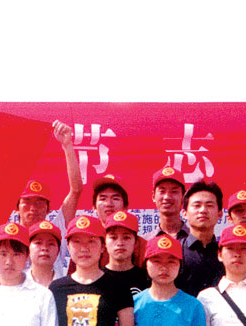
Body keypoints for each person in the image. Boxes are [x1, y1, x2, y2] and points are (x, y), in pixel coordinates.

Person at [8, 121, 83, 276]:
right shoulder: (7, 238)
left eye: (39, 203)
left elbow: (76, 190)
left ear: (48, 209)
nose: (33, 208)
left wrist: (67, 145)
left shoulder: (56, 230)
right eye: (27, 202)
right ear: (16, 207)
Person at [176, 181, 225, 297]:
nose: (203, 210)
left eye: (209, 205)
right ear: (184, 213)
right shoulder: (175, 251)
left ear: (219, 214)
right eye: (197, 205)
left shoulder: (226, 253)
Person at [90, 175, 147, 269]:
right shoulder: (87, 243)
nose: (108, 204)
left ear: (125, 206)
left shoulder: (141, 245)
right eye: (103, 199)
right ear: (94, 207)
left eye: (115, 198)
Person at [101, 210, 150, 297]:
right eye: (113, 237)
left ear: (136, 243)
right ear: (105, 243)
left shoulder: (147, 279)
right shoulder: (96, 277)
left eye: (126, 237)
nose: (120, 243)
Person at [142, 167, 189, 241]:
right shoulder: (145, 242)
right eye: (162, 191)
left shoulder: (196, 240)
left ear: (183, 197)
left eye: (174, 191)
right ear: (153, 196)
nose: (167, 197)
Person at [27, 220, 65, 287]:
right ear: (28, 248)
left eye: (51, 244)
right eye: (38, 243)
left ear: (58, 250)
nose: (44, 248)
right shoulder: (15, 284)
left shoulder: (66, 287)